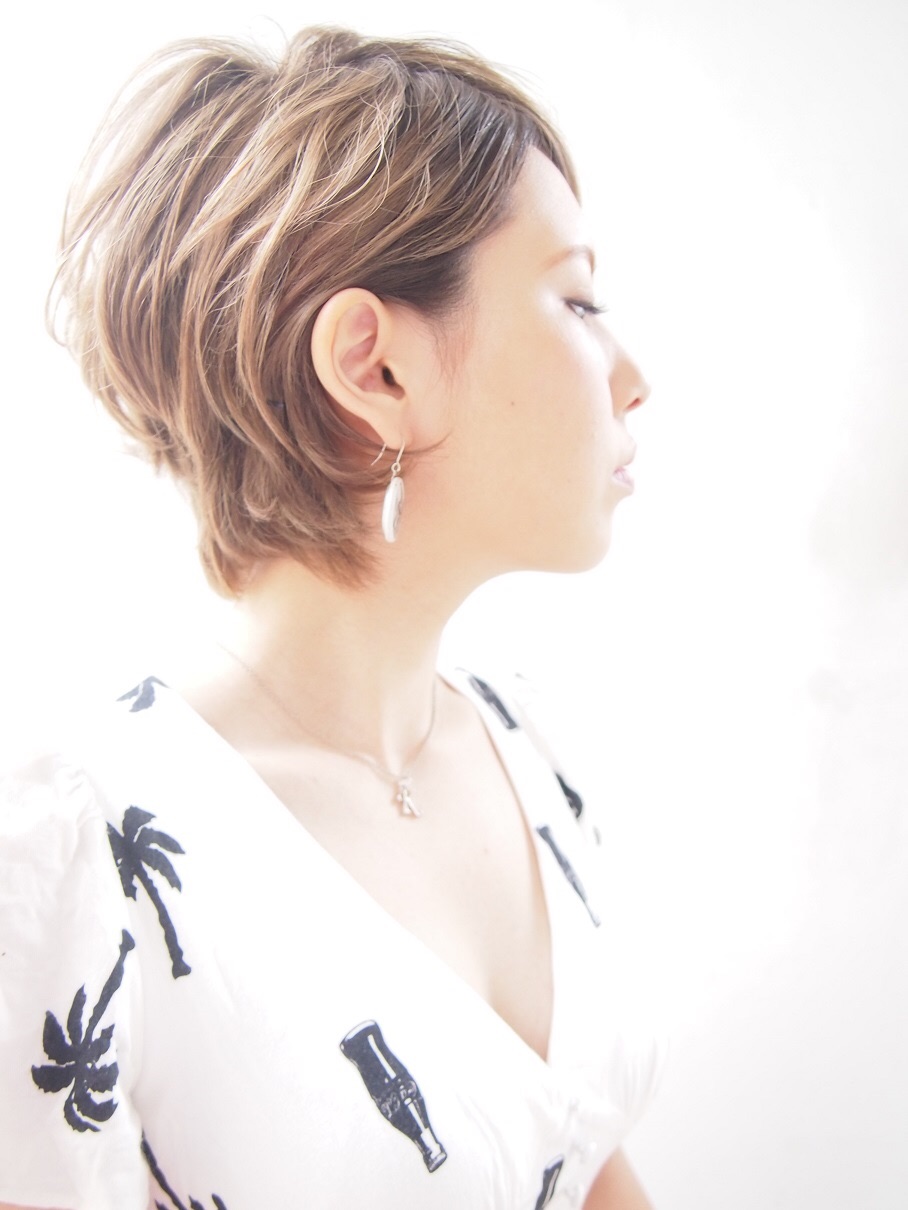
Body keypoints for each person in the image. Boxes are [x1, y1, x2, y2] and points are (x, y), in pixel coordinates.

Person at [0, 26, 657, 1210]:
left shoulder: (529, 747)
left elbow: (582, 1164)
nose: (630, 375)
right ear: (375, 367)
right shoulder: (73, 845)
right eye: (578, 298)